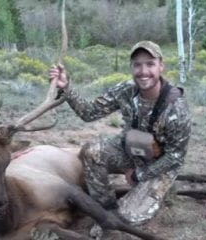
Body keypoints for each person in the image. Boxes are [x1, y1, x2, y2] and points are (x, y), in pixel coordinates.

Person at [48, 40, 191, 225]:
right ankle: (105, 209)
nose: (143, 71)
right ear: (132, 67)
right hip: (132, 149)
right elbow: (89, 112)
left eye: (150, 64)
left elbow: (175, 157)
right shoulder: (125, 90)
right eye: (137, 65)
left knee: (129, 218)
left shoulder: (176, 107)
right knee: (92, 152)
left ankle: (150, 193)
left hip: (160, 163)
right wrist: (65, 88)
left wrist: (140, 175)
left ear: (161, 66)